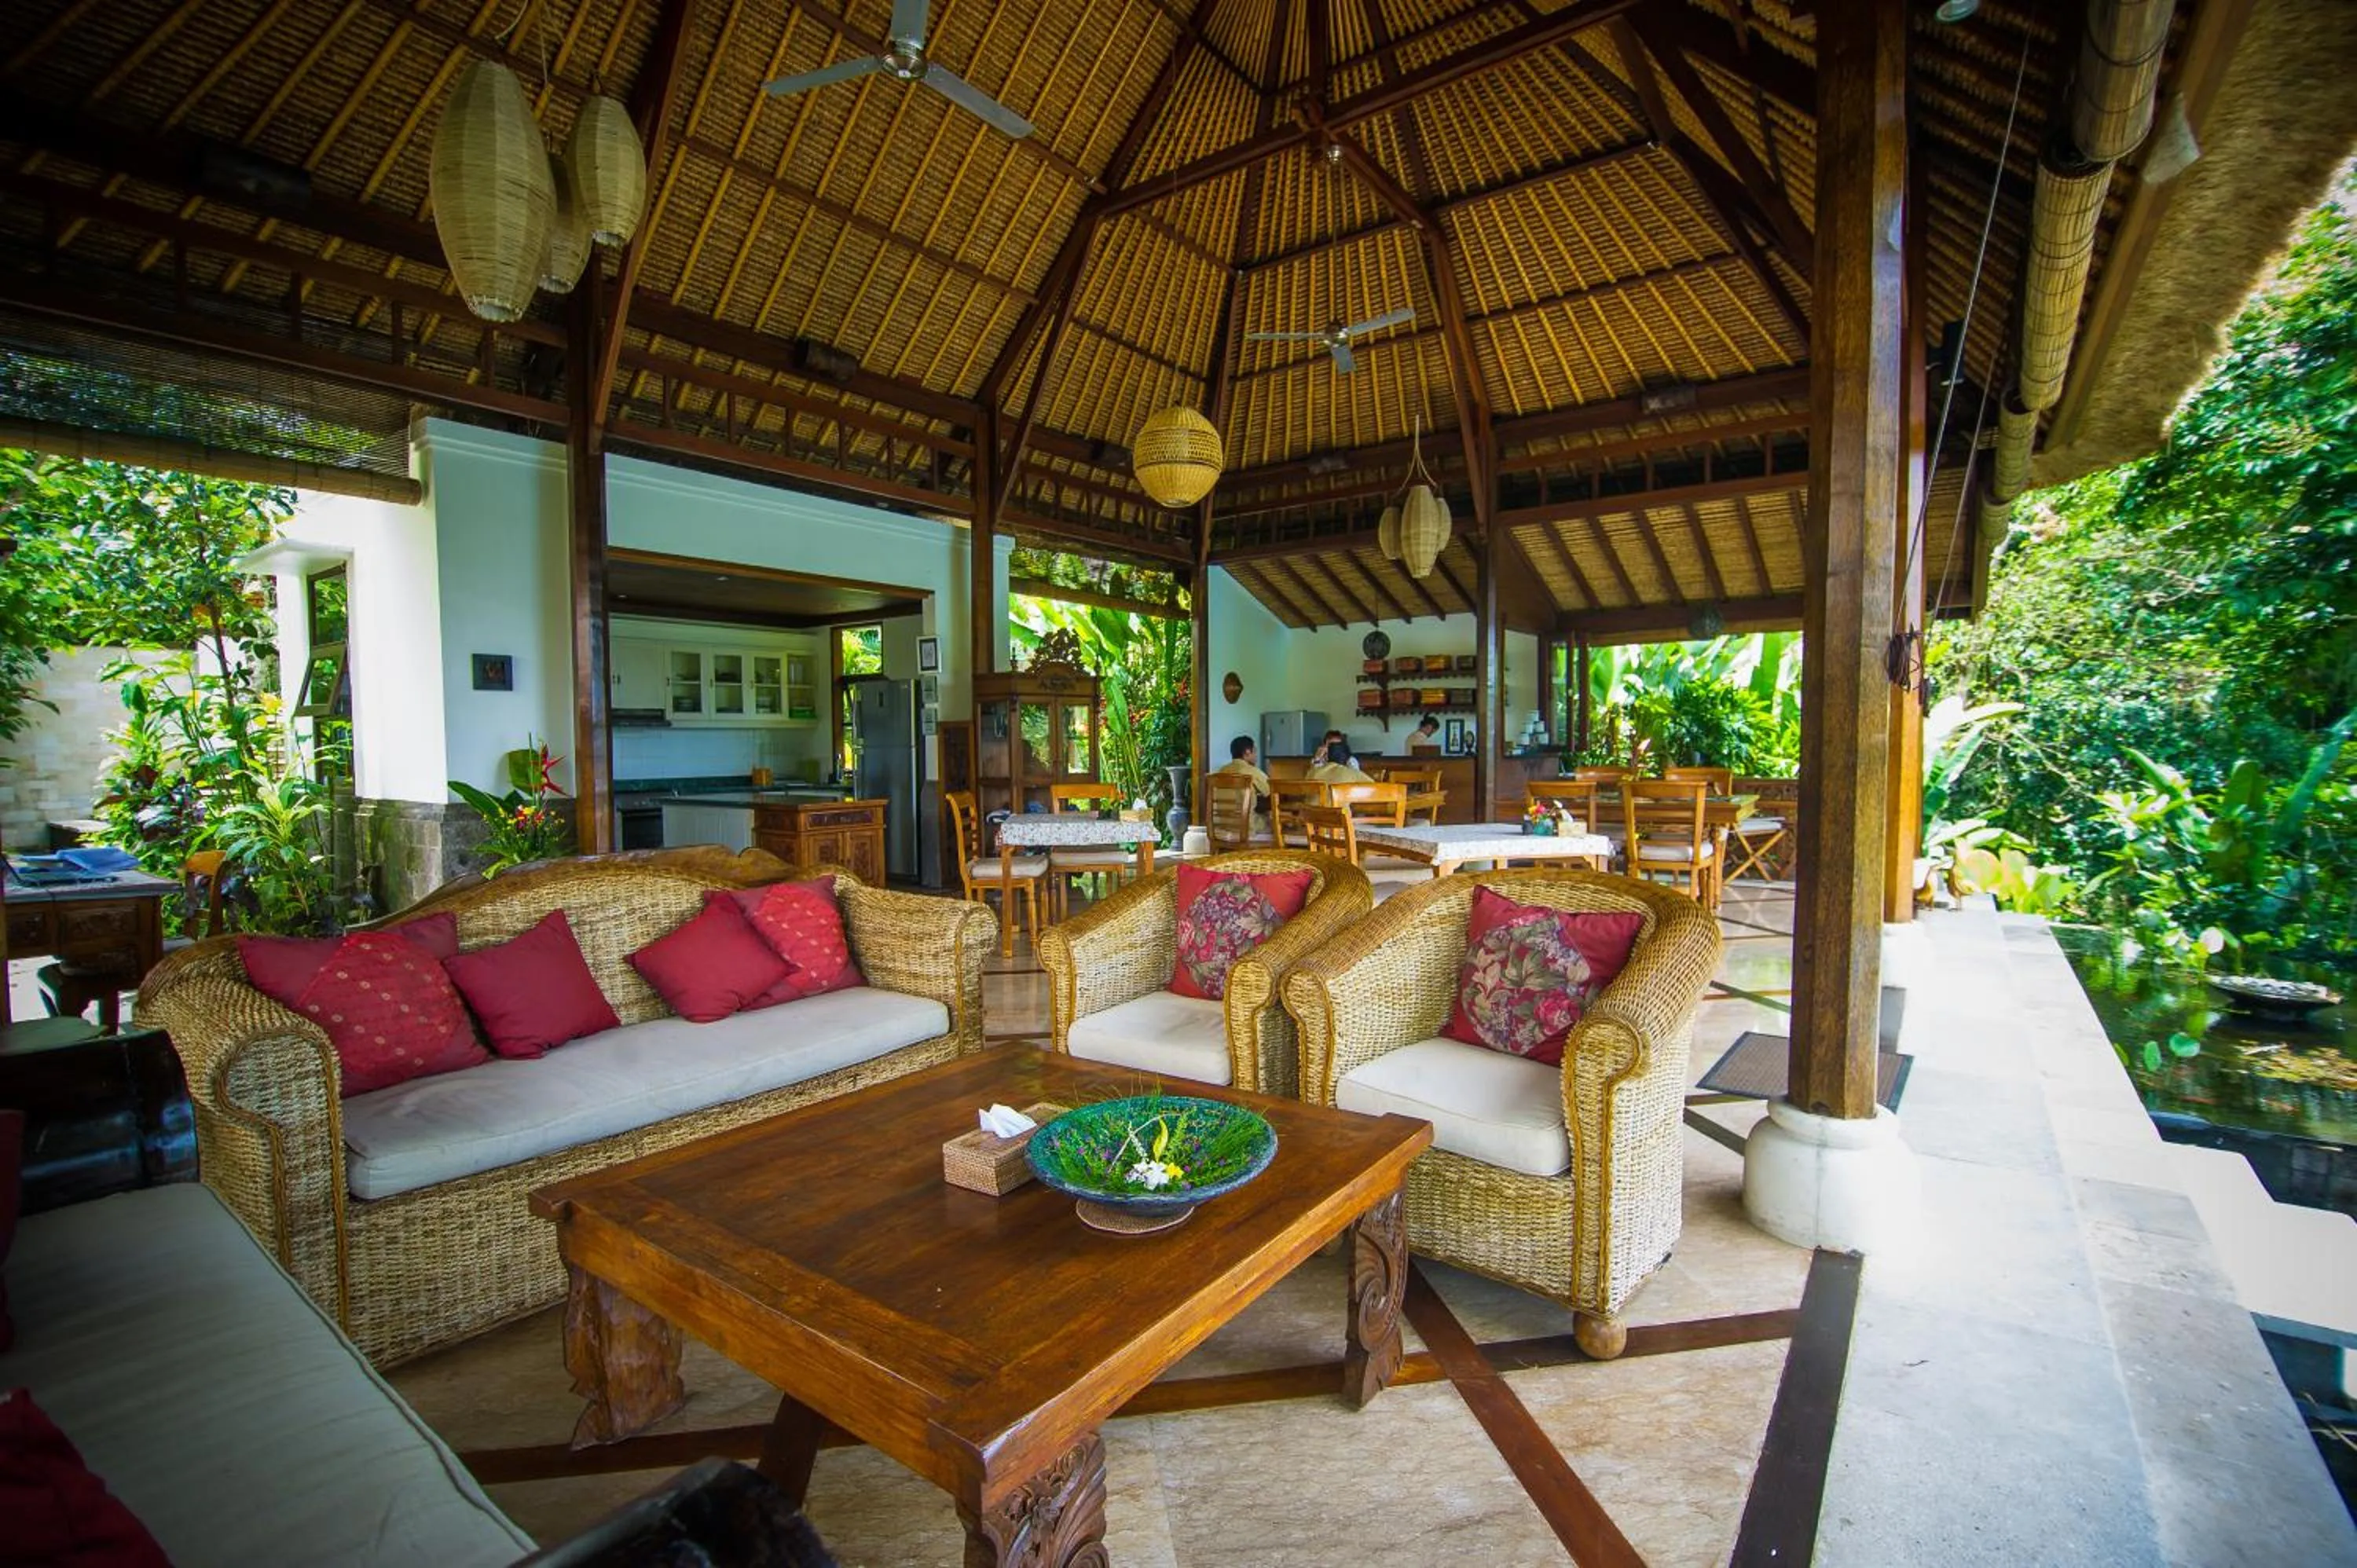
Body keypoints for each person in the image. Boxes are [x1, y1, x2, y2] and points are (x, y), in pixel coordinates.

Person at [1307, 729, 1374, 785]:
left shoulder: (1350, 761)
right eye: (1328, 746)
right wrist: (1317, 759)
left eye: (1335, 746)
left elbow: (1356, 779)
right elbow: (1313, 780)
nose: (1329, 749)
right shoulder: (1319, 761)